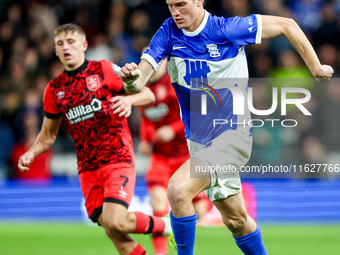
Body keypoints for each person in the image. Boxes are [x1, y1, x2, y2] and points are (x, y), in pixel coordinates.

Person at [119, 0, 334, 254]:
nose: (175, 12)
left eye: (181, 4)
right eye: (169, 6)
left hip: (232, 133)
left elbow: (287, 24)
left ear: (199, 1)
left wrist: (315, 66)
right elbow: (140, 79)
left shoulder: (227, 29)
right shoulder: (167, 32)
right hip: (199, 142)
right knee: (237, 220)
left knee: (178, 191)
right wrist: (132, 81)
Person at [17, 23, 173, 255]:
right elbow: (48, 135)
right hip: (88, 169)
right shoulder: (54, 89)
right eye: (60, 44)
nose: (66, 47)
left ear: (84, 45)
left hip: (117, 158)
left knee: (116, 221)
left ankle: (165, 225)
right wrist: (31, 152)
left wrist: (129, 101)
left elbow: (147, 93)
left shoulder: (104, 70)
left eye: (71, 42)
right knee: (112, 230)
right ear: (56, 51)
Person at [138, 58, 212, 255]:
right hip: (160, 157)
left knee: (199, 210)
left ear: (165, 62)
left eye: (155, 60)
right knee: (157, 203)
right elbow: (146, 119)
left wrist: (172, 129)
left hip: (184, 155)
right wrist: (145, 140)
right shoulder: (142, 89)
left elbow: (194, 114)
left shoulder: (176, 83)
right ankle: (160, 252)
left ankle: (191, 243)